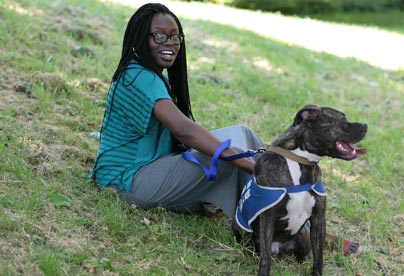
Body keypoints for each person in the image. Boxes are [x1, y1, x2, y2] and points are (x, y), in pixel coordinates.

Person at [89, 3, 361, 257]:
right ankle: (286, 228)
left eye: (175, 37)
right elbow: (184, 129)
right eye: (158, 36)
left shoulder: (147, 73)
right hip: (128, 181)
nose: (169, 43)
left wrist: (253, 161)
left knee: (241, 134)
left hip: (151, 166)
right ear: (140, 38)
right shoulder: (138, 76)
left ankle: (292, 217)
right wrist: (246, 163)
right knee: (232, 157)